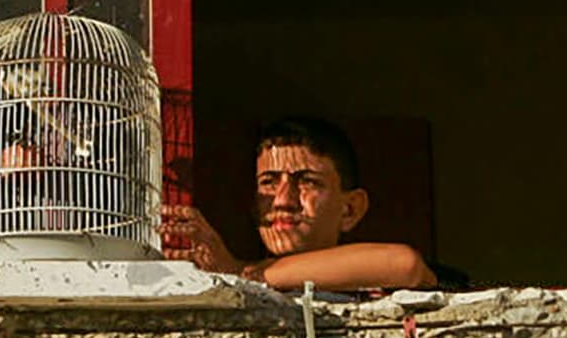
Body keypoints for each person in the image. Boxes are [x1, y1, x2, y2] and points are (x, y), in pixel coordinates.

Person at [163, 117, 437, 291]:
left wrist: (238, 271)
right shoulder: (244, 284)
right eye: (269, 182)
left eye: (307, 182)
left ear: (350, 209)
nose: (282, 201)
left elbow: (404, 264)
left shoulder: (247, 275)